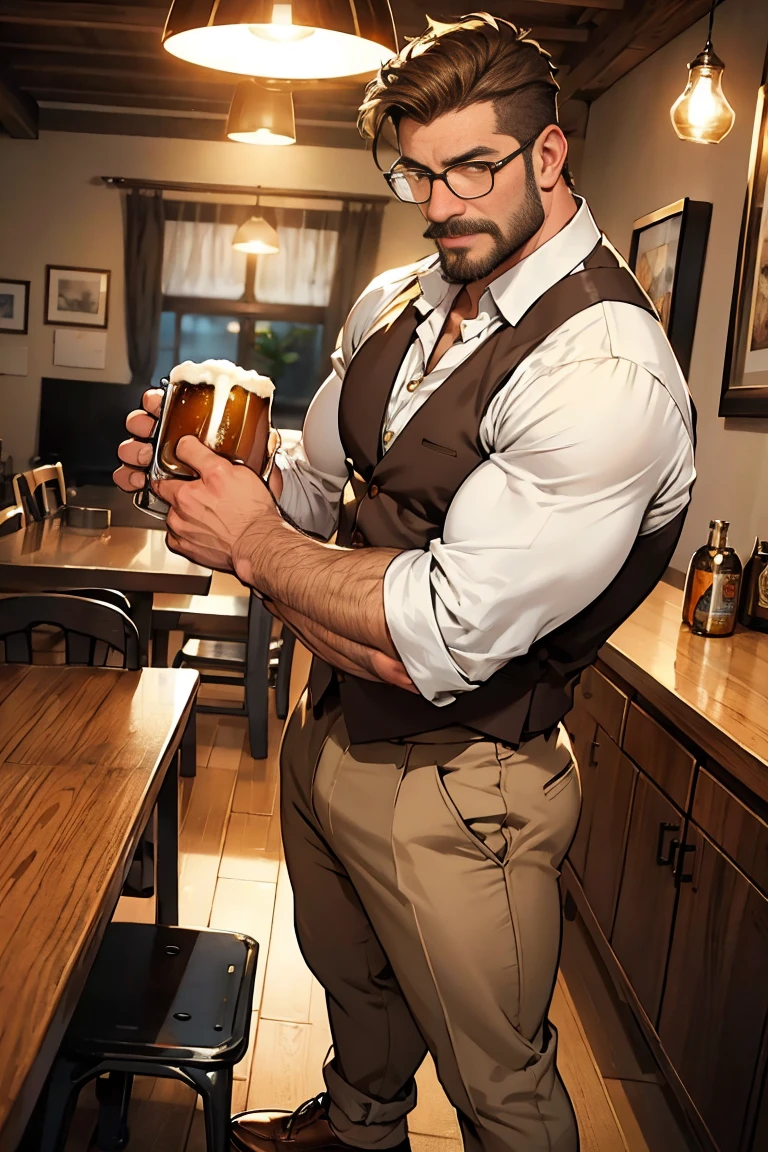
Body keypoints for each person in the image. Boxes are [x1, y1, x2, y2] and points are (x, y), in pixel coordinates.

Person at [115, 15, 696, 1152]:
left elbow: (432, 637)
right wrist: (215, 487)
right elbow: (320, 487)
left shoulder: (605, 366)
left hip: (467, 779)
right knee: (354, 985)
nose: (439, 204)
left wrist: (251, 548)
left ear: (548, 155)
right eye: (417, 172)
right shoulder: (398, 297)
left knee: (502, 1083)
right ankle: (363, 1125)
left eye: (472, 168)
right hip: (330, 723)